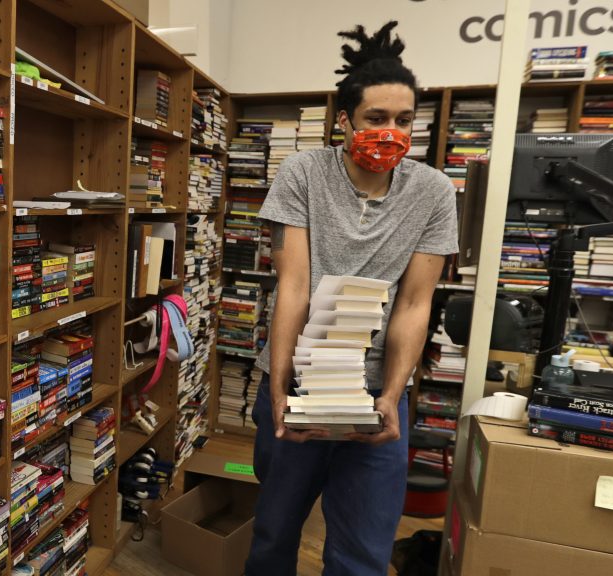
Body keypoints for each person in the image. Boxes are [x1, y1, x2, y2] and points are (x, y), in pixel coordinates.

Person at [244, 21, 460, 576]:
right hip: (297, 382)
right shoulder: (303, 173)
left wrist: (391, 394)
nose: (391, 131)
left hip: (374, 396)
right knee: (272, 537)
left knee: (363, 552)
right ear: (344, 119)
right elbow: (292, 285)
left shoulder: (433, 192)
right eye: (376, 119)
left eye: (405, 120)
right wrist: (279, 386)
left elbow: (415, 303)